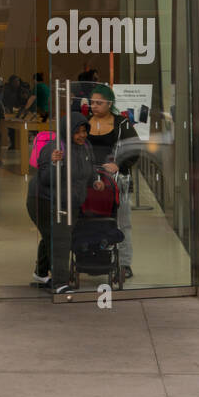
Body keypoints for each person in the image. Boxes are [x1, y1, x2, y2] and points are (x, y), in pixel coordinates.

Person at [26, 112, 97, 289]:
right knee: (59, 239)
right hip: (44, 201)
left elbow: (89, 170)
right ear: (68, 131)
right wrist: (53, 163)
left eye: (84, 131)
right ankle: (60, 283)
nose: (82, 135)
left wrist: (96, 181)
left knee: (51, 235)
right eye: (78, 132)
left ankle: (41, 273)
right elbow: (46, 179)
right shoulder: (54, 149)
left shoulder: (85, 147)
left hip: (68, 200)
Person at [82, 84, 140, 282]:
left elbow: (134, 149)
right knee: (90, 219)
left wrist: (119, 164)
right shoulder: (84, 123)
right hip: (90, 180)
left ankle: (124, 262)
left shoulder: (122, 124)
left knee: (122, 222)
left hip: (117, 181)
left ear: (110, 104)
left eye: (99, 103)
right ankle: (91, 256)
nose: (94, 106)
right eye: (92, 102)